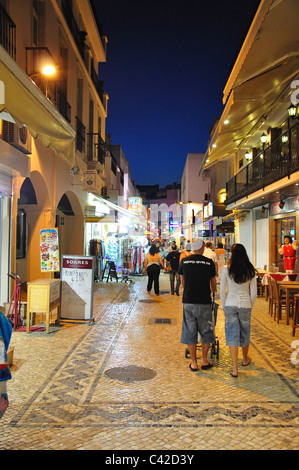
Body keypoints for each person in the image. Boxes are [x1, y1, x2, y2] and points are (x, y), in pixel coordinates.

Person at [178, 238, 217, 371]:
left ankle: (194, 363)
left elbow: (182, 279)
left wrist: (184, 289)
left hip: (188, 301)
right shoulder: (209, 262)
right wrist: (214, 290)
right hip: (204, 301)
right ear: (202, 249)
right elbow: (213, 281)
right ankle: (205, 360)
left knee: (190, 331)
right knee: (206, 331)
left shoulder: (184, 261)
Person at [220, 243, 257, 378]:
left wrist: (223, 306)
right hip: (245, 305)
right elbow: (254, 293)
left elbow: (222, 290)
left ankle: (235, 369)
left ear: (232, 254)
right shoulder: (250, 269)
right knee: (245, 333)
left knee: (232, 336)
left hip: (231, 304)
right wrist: (249, 306)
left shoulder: (226, 269)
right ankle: (245, 359)